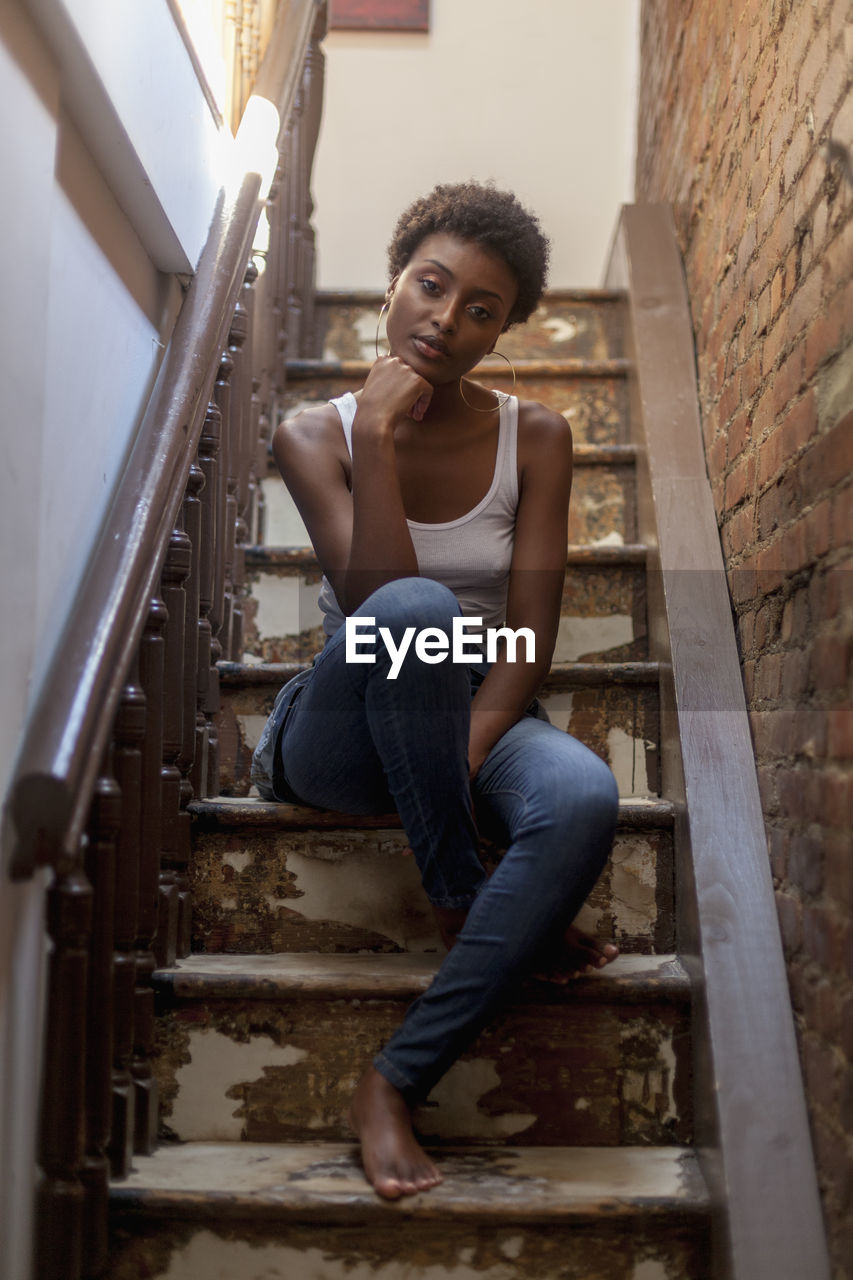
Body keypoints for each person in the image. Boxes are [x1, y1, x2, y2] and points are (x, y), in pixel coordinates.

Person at [251, 181, 620, 1200]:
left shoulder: (535, 437)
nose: (445, 319)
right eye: (430, 284)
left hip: (480, 708)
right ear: (394, 279)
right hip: (341, 725)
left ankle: (393, 1078)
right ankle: (470, 897)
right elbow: (376, 610)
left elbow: (527, 641)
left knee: (583, 796)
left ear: (501, 332)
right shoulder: (312, 434)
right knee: (411, 610)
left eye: (480, 309)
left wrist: (462, 763)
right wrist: (372, 436)